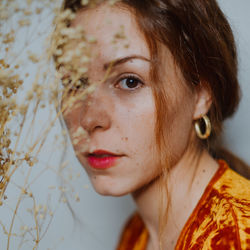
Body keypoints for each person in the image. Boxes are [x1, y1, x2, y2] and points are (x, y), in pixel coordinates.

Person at [54, 0, 250, 249]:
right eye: (76, 84)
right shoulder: (135, 235)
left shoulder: (237, 234)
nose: (89, 119)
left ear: (201, 95)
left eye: (130, 82)